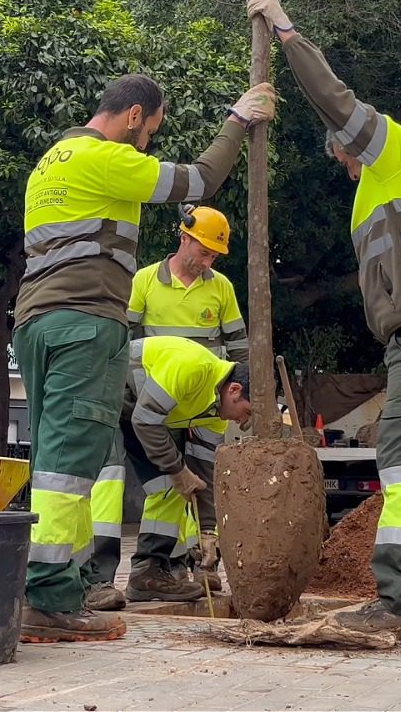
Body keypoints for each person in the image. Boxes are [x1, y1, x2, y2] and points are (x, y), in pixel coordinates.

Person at [249, 0, 401, 645]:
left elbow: (334, 101)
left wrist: (285, 28)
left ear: (352, 151)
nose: (348, 170)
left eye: (346, 160)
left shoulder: (399, 153)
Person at [14, 73, 275, 643]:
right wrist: (238, 120)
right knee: (68, 468)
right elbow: (200, 180)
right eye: (152, 130)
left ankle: (63, 586)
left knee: (58, 461)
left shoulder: (50, 161)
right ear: (134, 115)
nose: (149, 143)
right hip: (85, 324)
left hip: (36, 321)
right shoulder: (104, 157)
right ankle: (51, 597)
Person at [85, 205, 249, 611]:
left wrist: (209, 530)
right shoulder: (144, 281)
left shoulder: (221, 289)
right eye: (205, 252)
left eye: (214, 256)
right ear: (185, 239)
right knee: (115, 480)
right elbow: (122, 340)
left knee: (175, 486)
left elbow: (240, 349)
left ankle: (163, 568)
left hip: (194, 402)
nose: (208, 262)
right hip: (137, 397)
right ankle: (95, 580)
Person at [117, 337, 252, 605]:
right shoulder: (192, 366)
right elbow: (145, 419)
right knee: (104, 482)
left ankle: (148, 574)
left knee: (168, 487)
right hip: (109, 394)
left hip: (139, 414)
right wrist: (179, 470)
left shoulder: (215, 414)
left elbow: (203, 475)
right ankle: (91, 579)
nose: (243, 422)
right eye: (246, 412)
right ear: (234, 390)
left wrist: (208, 534)